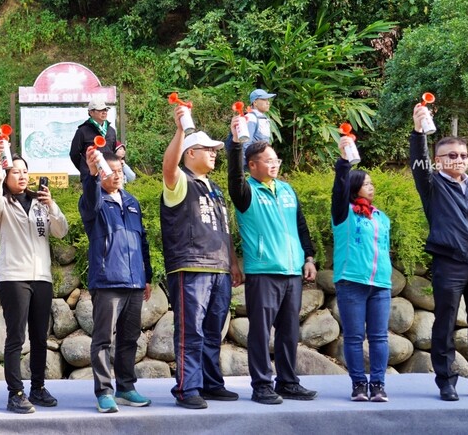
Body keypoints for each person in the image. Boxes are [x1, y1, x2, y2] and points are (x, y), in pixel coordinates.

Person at [227, 125, 318, 405]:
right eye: (269, 160)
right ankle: (262, 385)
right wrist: (236, 143)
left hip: (292, 272)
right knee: (260, 331)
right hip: (263, 272)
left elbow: (300, 226)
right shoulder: (246, 192)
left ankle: (288, 382)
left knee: (290, 331)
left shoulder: (287, 190)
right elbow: (233, 174)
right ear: (252, 166)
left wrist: (309, 258)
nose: (274, 164)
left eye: (276, 160)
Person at [160, 107, 243, 409]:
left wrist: (232, 263)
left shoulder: (215, 189)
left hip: (219, 267)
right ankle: (187, 387)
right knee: (191, 329)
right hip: (191, 265)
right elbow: (167, 167)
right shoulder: (180, 181)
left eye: (215, 150)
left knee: (213, 330)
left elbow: (224, 229)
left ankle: (211, 383)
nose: (214, 154)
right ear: (190, 153)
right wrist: (180, 131)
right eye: (208, 149)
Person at [409, 105, 468, 401]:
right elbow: (417, 160)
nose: (459, 160)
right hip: (450, 264)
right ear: (438, 161)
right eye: (452, 155)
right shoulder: (432, 185)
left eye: (463, 155)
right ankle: (446, 381)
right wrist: (418, 131)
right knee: (444, 324)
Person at [0, 143, 69, 414]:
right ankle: (15, 392)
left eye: (24, 172)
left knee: (40, 337)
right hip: (14, 279)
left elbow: (61, 231)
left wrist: (52, 205)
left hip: (41, 278)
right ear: (6, 177)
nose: (21, 176)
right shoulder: (1, 206)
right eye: (15, 172)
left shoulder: (39, 203)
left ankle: (38, 387)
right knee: (16, 337)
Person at [79, 149, 152, 414]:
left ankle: (126, 387)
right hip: (108, 280)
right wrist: (90, 176)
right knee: (102, 340)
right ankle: (104, 391)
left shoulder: (132, 201)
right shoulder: (94, 202)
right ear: (101, 173)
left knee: (129, 338)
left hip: (134, 281)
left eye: (121, 170)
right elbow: (89, 197)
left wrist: (148, 277)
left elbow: (141, 239)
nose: (118, 175)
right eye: (112, 171)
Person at [331, 136, 392, 402]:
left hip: (380, 284)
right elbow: (339, 188)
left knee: (379, 337)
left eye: (372, 183)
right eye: (366, 183)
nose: (371, 186)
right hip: (351, 283)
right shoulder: (343, 212)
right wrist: (344, 161)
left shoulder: (381, 217)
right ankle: (358, 385)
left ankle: (378, 385)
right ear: (355, 187)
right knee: (354, 337)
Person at [69, 97, 117, 177]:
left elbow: (113, 151)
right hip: (91, 176)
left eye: (105, 110)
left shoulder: (111, 130)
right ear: (91, 112)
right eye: (100, 110)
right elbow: (74, 154)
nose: (104, 112)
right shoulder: (82, 131)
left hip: (109, 174)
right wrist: (85, 170)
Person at [243, 89, 276, 155]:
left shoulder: (263, 118)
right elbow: (245, 145)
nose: (268, 102)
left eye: (268, 100)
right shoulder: (251, 118)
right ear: (255, 103)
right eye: (264, 99)